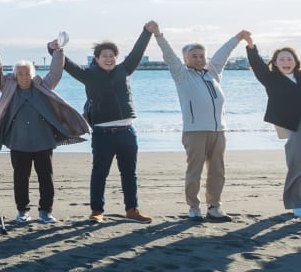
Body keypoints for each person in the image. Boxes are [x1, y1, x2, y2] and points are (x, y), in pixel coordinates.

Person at [147, 21, 248, 222]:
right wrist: (158, 34)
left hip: (219, 132)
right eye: (194, 56)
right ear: (185, 59)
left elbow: (223, 54)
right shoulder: (182, 75)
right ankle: (194, 208)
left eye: (202, 56)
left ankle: (214, 207)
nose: (199, 59)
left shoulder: (213, 73)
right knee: (195, 172)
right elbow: (169, 56)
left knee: (218, 172)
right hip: (195, 132)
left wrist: (237, 38)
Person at [0, 41, 90, 224]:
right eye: (20, 74)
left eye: (28, 74)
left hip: (43, 142)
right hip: (18, 142)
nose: (24, 77)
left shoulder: (43, 86)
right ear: (15, 75)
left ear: (33, 75)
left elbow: (55, 72)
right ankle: (22, 212)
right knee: (20, 179)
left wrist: (58, 52)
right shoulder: (8, 87)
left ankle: (45, 212)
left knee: (46, 178)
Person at [63, 27, 153, 224]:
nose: (109, 59)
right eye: (104, 56)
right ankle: (97, 211)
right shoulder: (88, 74)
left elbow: (137, 52)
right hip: (103, 134)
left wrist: (147, 32)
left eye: (112, 55)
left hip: (127, 132)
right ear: (96, 59)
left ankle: (132, 209)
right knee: (99, 174)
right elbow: (67, 65)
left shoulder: (124, 69)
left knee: (129, 173)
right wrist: (54, 50)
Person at [243, 33, 301, 217]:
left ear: (296, 62)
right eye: (281, 59)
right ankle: (296, 202)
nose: (286, 62)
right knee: (296, 163)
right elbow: (257, 64)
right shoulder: (271, 79)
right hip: (292, 125)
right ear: (275, 63)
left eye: (289, 59)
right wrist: (250, 45)